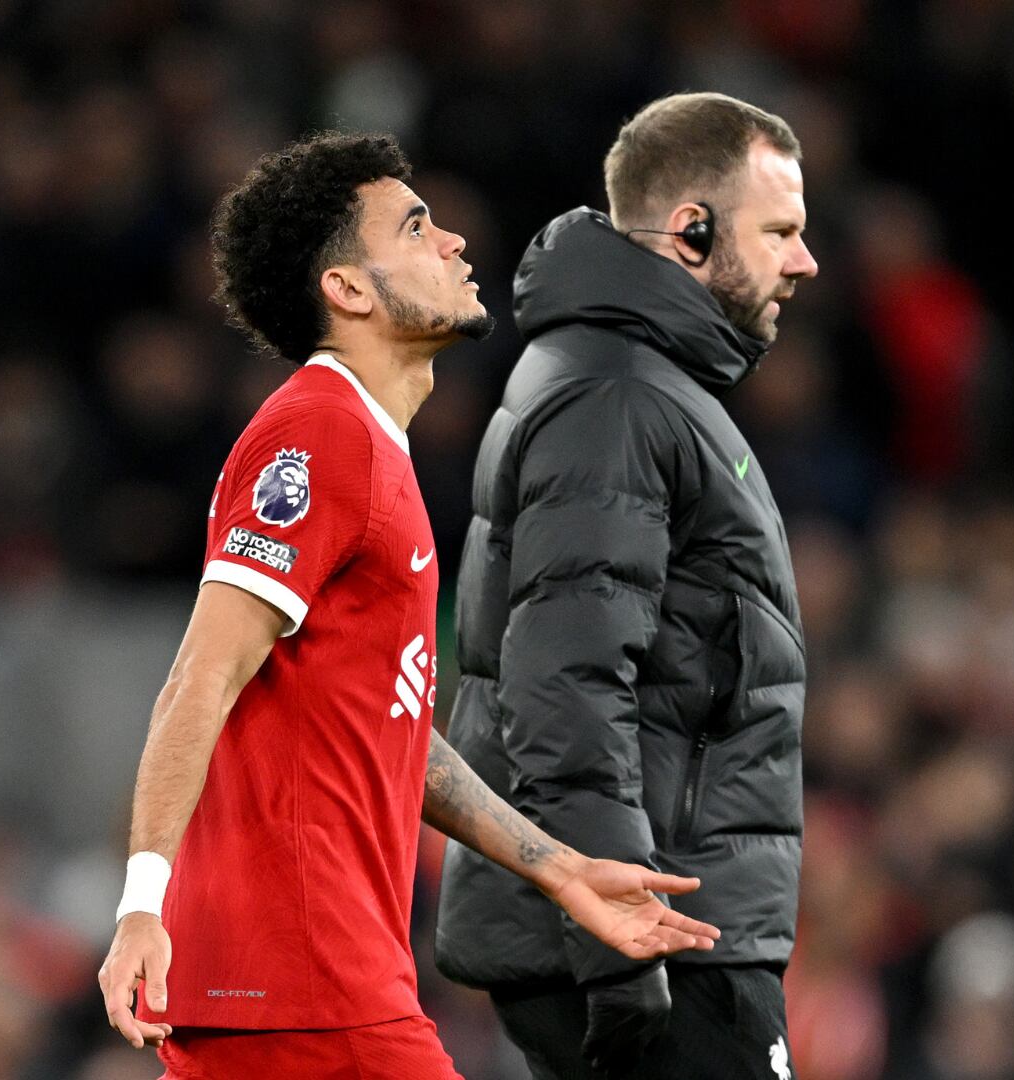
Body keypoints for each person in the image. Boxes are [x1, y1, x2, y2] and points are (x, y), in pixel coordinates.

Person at [95, 131, 723, 1080]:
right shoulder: (318, 433)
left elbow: (393, 730)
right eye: (418, 225)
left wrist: (557, 869)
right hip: (303, 982)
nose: (455, 242)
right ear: (346, 289)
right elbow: (204, 670)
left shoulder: (374, 449)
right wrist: (141, 901)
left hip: (313, 986)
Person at [433, 92, 820, 1079]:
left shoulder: (638, 385)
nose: (805, 261)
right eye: (780, 231)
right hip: (649, 945)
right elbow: (564, 686)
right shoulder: (616, 396)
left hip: (661, 937)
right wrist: (623, 950)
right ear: (691, 230)